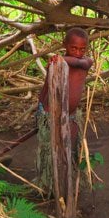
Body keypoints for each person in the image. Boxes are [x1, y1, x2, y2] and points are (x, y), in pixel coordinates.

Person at [36, 27, 93, 192]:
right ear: (65, 44)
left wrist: (62, 59)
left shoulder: (85, 62)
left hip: (72, 117)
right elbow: (47, 86)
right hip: (50, 115)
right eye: (74, 48)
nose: (78, 52)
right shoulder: (56, 64)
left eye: (82, 49)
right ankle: (49, 187)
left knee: (72, 149)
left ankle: (70, 184)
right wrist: (40, 107)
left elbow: (80, 62)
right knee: (50, 151)